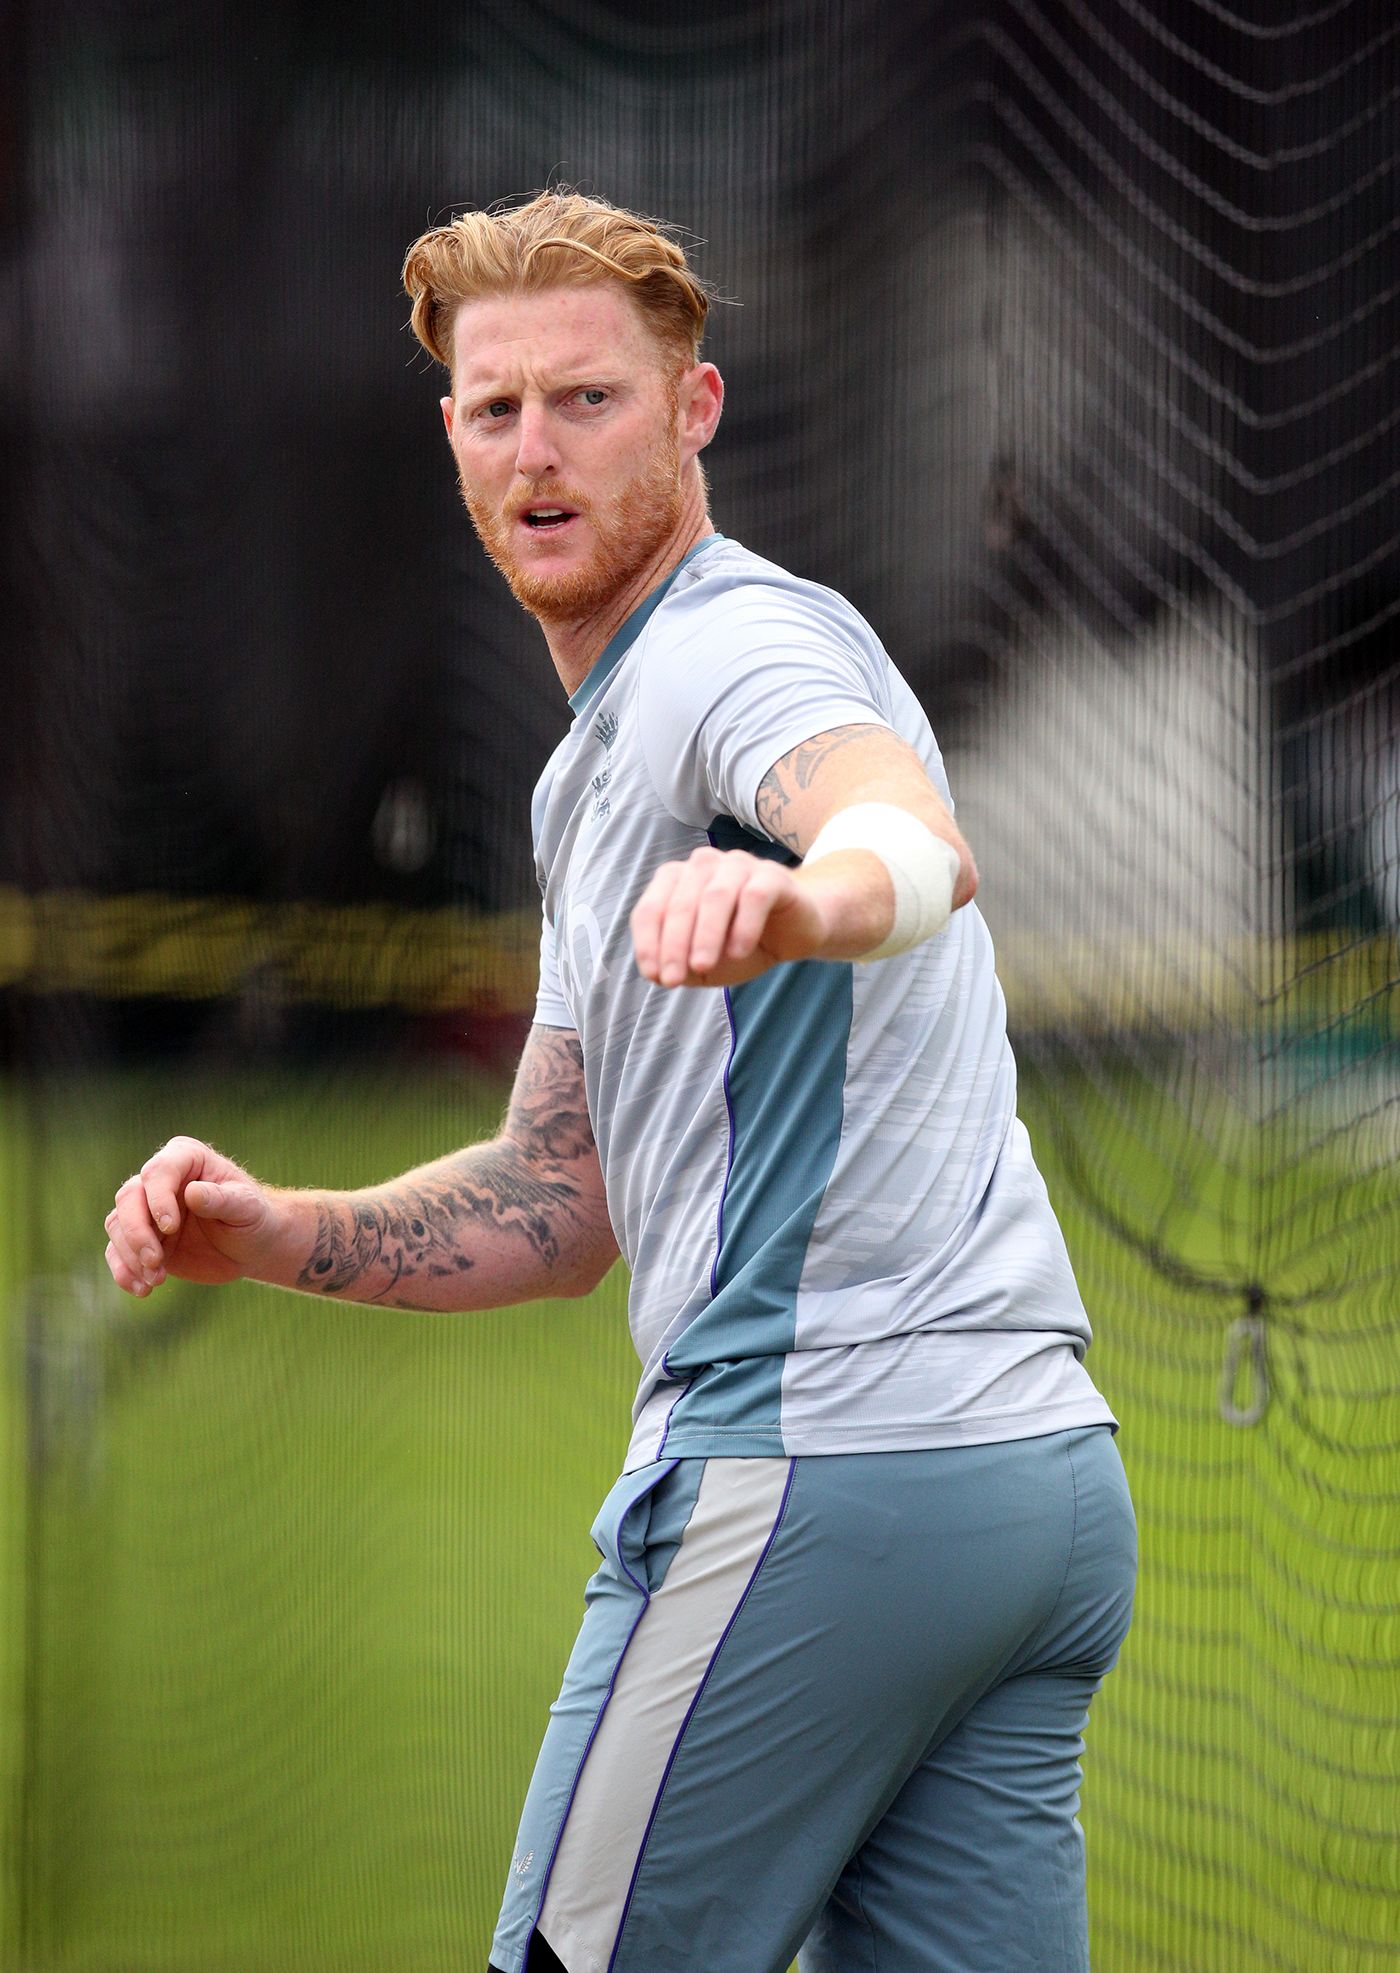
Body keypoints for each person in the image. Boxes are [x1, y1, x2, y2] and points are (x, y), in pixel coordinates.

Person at [103, 190, 1136, 1973]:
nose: (537, 450)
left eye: (587, 398)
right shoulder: (599, 760)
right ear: (451, 439)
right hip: (1027, 1488)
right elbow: (563, 1196)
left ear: (695, 407)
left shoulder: (729, 656)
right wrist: (276, 1230)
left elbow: (907, 829)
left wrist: (809, 890)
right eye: (496, 411)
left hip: (818, 1475)